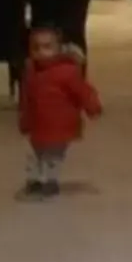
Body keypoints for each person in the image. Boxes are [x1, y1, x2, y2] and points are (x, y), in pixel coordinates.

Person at [18, 24, 101, 195]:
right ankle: (37, 179)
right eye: (36, 48)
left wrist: (92, 107)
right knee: (38, 154)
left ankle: (50, 180)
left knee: (53, 156)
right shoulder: (31, 72)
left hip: (61, 125)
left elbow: (83, 91)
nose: (41, 52)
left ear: (58, 48)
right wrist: (25, 120)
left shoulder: (67, 72)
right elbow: (28, 99)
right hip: (38, 125)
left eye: (47, 47)